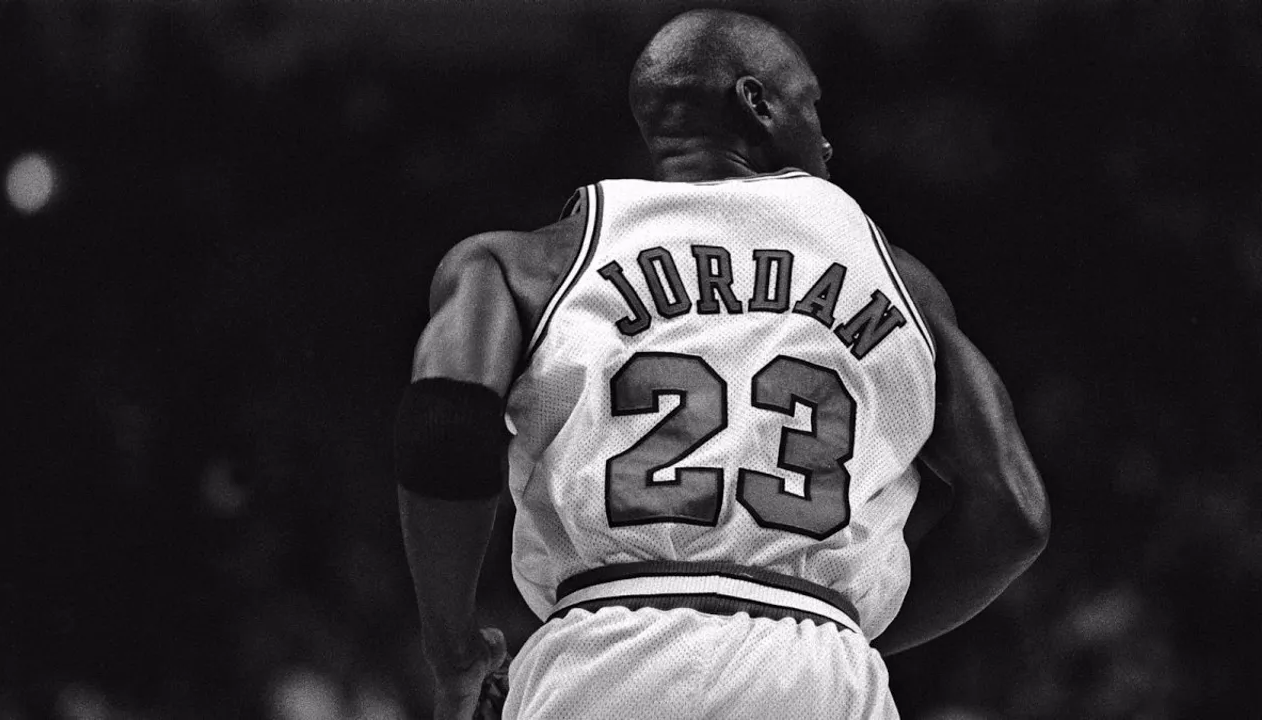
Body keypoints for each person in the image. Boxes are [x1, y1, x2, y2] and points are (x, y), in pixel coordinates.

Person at [396, 9, 1049, 719]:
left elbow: (445, 430)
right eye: (811, 103)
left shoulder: (527, 263)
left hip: (606, 654)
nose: (826, 136)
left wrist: (453, 647)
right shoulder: (898, 280)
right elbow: (1015, 513)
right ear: (756, 102)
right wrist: (844, 636)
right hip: (815, 664)